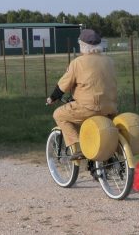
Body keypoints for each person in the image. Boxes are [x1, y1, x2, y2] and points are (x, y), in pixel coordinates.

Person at [46, 28, 119, 159]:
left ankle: (80, 147)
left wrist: (52, 98)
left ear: (83, 46)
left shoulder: (78, 62)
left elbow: (64, 85)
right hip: (110, 108)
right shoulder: (109, 61)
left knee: (59, 115)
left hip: (89, 108)